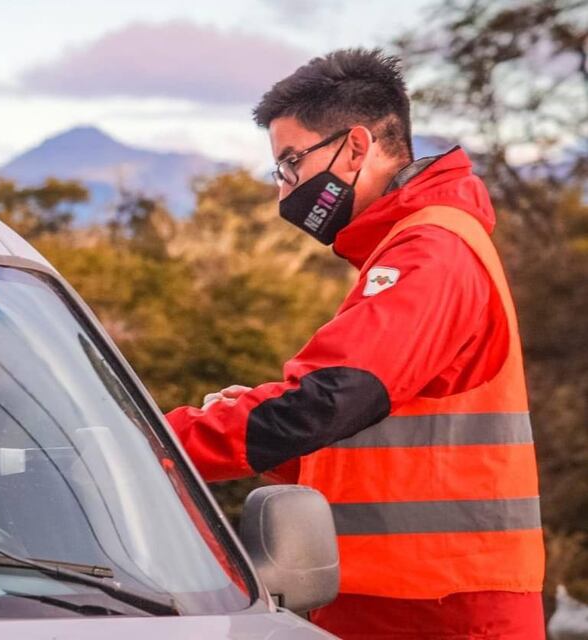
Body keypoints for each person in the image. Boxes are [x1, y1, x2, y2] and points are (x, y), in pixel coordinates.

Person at [165, 49, 545, 639]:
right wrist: (279, 438)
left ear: (358, 146)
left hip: (441, 609)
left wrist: (155, 449)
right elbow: (383, 433)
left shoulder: (431, 251)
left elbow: (331, 398)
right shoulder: (409, 249)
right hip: (395, 599)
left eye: (292, 162)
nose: (285, 189)